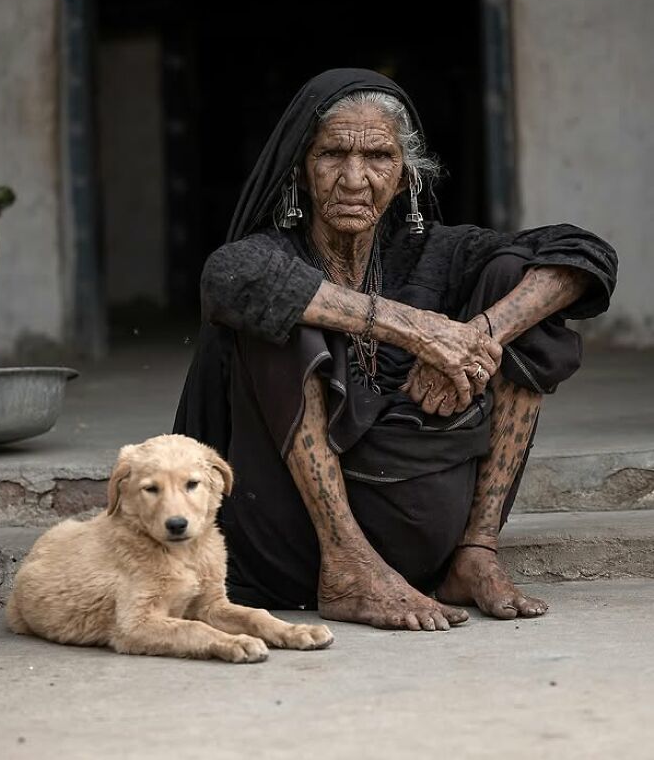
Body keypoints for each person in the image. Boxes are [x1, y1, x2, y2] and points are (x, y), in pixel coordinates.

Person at [173, 68, 617, 631]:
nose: (354, 179)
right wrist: (420, 331)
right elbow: (229, 275)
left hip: (428, 534)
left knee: (521, 285)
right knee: (280, 314)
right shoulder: (269, 253)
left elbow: (586, 254)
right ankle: (351, 568)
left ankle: (477, 552)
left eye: (378, 158)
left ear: (406, 174)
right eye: (332, 155)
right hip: (298, 549)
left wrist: (481, 332)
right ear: (301, 171)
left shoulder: (435, 252)